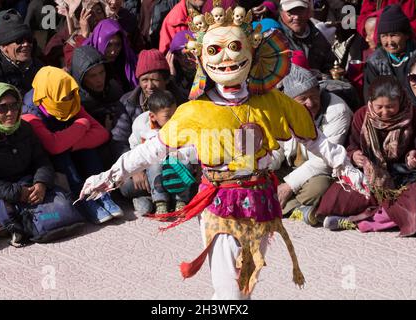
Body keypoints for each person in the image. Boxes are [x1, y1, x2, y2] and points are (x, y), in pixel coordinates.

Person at [78, 3, 359, 299]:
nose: (226, 58)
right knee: (230, 292)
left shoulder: (274, 101)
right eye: (214, 51)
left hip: (261, 199)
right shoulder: (194, 111)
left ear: (252, 52)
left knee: (246, 285)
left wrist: (345, 167)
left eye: (235, 47)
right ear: (201, 57)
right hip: (218, 200)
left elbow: (316, 140)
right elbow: (151, 151)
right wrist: (111, 175)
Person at [316, 76, 416, 237]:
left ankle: (361, 220)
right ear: (371, 102)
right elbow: (351, 145)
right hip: (370, 175)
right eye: (379, 107)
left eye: (391, 107)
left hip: (405, 177)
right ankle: (379, 215)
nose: (385, 112)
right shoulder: (362, 116)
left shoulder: (415, 116)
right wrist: (354, 156)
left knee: (412, 205)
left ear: (400, 102)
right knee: (334, 198)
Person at [21, 66, 123, 225]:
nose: (70, 99)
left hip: (70, 149)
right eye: (64, 97)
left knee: (87, 150)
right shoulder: (30, 113)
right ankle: (83, 199)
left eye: (71, 94)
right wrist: (81, 125)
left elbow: (101, 134)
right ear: (49, 93)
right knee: (62, 156)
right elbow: (53, 146)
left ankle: (101, 193)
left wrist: (68, 143)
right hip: (47, 162)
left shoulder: (71, 100)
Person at [273, 64, 353, 225]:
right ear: (290, 101)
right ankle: (295, 209)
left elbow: (325, 160)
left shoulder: (337, 110)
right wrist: (265, 170)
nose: (310, 103)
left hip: (318, 172)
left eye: (313, 96)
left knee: (319, 187)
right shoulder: (282, 108)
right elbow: (276, 148)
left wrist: (288, 186)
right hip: (289, 167)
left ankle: (271, 206)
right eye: (302, 99)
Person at [0, 83, 54, 244]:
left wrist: (41, 183)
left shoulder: (24, 128)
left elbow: (41, 160)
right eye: (2, 108)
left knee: (59, 191)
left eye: (15, 105)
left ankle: (34, 222)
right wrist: (16, 192)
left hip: (25, 185)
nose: (11, 113)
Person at [121, 90, 196, 214]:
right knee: (150, 170)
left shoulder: (182, 123)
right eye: (167, 117)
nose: (173, 120)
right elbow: (134, 146)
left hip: (177, 164)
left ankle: (181, 200)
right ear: (152, 116)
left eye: (175, 115)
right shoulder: (141, 125)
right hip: (154, 166)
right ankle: (160, 201)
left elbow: (194, 146)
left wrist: (186, 155)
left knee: (186, 164)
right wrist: (138, 169)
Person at [111, 48, 186, 160]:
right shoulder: (127, 103)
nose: (150, 86)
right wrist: (134, 170)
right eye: (144, 80)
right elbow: (120, 141)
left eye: (155, 80)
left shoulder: (181, 101)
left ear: (166, 80)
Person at [0, 10, 43, 98]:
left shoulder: (38, 67)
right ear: (3, 46)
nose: (26, 44)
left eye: (29, 39)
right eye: (19, 41)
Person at [363, 4, 416, 100]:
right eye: (384, 36)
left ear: (406, 35)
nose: (389, 42)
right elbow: (370, 98)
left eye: (394, 35)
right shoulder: (374, 62)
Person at [277, 0, 336, 75]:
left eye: (301, 11)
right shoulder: (275, 38)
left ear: (309, 12)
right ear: (281, 13)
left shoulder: (317, 35)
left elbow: (331, 65)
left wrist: (322, 76)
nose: (297, 17)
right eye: (291, 12)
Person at [82, 18, 138, 93]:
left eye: (118, 45)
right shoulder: (85, 63)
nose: (113, 52)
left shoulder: (128, 61)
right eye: (108, 45)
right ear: (99, 42)